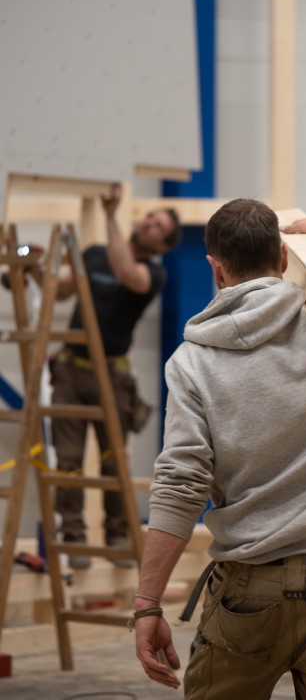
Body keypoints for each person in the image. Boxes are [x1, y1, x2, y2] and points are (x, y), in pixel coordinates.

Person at [132, 200, 306, 698]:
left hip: (249, 590)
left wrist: (148, 602)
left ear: (216, 267)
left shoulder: (192, 363)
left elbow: (180, 485)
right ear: (284, 258)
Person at [29, 184, 181, 569]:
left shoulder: (152, 274)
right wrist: (34, 266)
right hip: (69, 371)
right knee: (68, 461)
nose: (148, 225)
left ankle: (116, 536)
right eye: (149, 218)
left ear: (163, 246)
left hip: (111, 377)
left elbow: (125, 271)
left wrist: (111, 216)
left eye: (157, 226)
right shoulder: (94, 254)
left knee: (113, 461)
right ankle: (75, 538)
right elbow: (60, 291)